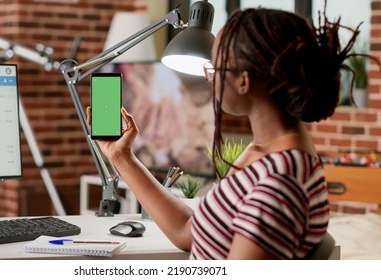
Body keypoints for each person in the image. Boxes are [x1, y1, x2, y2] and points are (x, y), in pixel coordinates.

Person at [87, 7, 374, 259]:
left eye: (215, 64)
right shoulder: (263, 155)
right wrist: (122, 157)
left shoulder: (279, 182)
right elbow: (189, 231)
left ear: (244, 81)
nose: (208, 75)